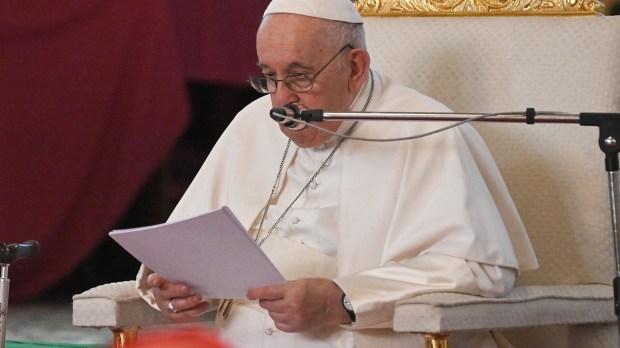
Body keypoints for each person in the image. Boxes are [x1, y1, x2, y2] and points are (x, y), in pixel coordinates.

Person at [136, 0, 538, 346]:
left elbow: (482, 270)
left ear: (355, 67)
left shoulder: (426, 130)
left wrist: (342, 300)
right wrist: (175, 285)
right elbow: (186, 240)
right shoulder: (253, 120)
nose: (281, 99)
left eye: (299, 76)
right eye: (268, 77)